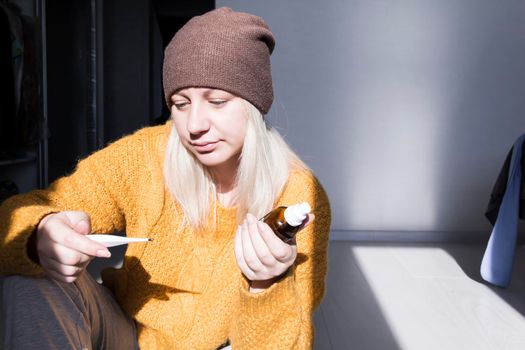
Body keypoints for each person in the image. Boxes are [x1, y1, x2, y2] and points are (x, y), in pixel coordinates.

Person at [0, 7, 331, 349]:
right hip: (126, 335)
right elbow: (17, 218)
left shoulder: (297, 192)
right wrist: (40, 234)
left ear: (253, 105)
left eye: (217, 101)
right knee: (32, 271)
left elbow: (287, 342)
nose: (194, 125)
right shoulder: (143, 156)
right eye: (181, 103)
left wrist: (266, 286)